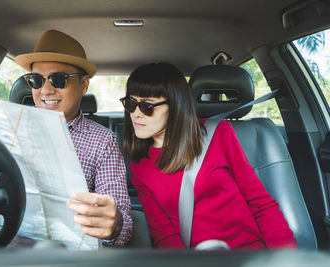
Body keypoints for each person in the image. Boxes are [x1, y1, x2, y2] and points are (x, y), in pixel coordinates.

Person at [121, 62, 297, 249]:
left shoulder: (219, 133)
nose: (136, 114)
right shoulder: (139, 166)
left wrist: (286, 256)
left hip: (249, 254)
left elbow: (260, 203)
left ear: (175, 105)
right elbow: (164, 235)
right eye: (131, 103)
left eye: (147, 106)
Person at [15, 30, 132, 247]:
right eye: (36, 80)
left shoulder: (102, 141)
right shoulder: (10, 129)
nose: (46, 90)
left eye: (58, 80)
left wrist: (113, 224)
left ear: (84, 85)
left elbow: (122, 227)